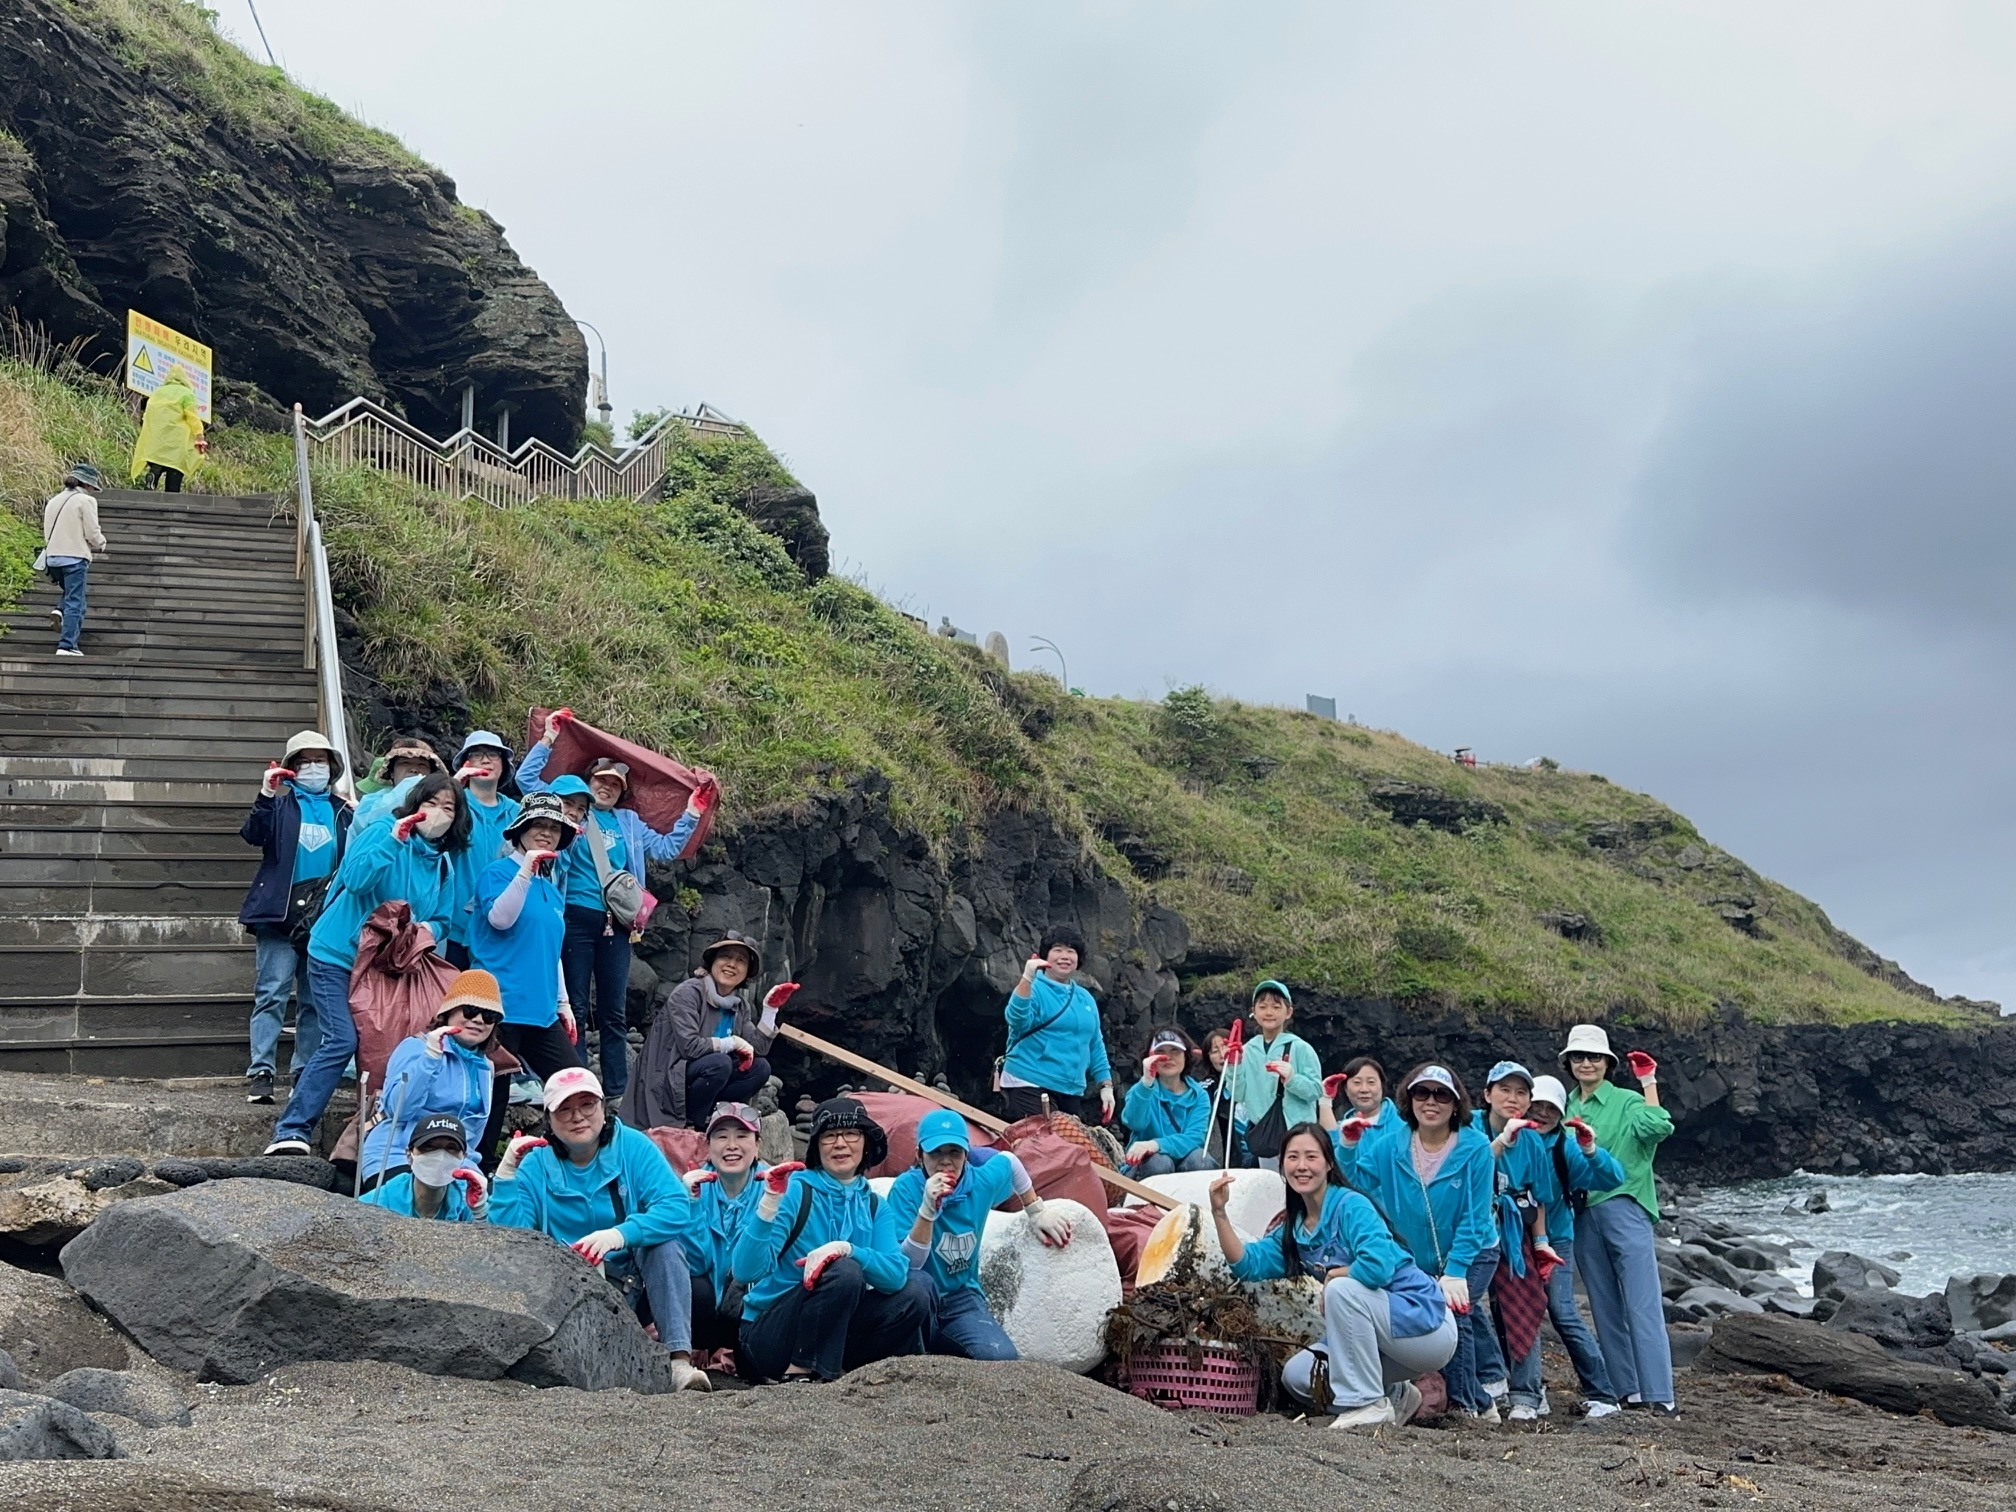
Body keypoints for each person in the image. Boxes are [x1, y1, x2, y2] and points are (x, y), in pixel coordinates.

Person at [263, 775, 470, 1156]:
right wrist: (394, 839)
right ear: (415, 802)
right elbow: (357, 881)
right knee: (342, 1039)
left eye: (449, 807)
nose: (438, 813)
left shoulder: (442, 865)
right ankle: (291, 1130)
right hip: (337, 954)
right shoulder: (381, 831)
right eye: (432, 802)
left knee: (387, 1046)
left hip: (383, 969)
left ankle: (371, 1145)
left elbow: (445, 918)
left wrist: (425, 927)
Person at [1213, 1125, 1457, 1430]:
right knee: (1300, 1375)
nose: (1301, 1166)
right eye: (1293, 1157)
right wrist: (1220, 1213)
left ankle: (1367, 1403)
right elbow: (1247, 1265)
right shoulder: (1295, 1228)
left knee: (1341, 1289)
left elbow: (1378, 1266)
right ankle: (1396, 1395)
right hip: (1386, 1344)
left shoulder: (1351, 1206)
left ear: (1329, 1163)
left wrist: (1335, 1276)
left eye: (1311, 1156)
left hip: (1426, 1326)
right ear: (1282, 1166)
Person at [519, 716, 705, 1103]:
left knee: (613, 1010)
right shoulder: (568, 814)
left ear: (622, 792)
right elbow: (526, 783)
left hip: (616, 923)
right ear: (589, 781)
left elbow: (669, 849)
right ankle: (579, 1082)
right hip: (572, 915)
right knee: (575, 1004)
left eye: (614, 784)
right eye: (601, 779)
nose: (606, 786)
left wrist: (691, 811)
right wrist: (549, 739)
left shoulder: (630, 823)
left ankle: (618, 1091)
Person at [490, 1067, 710, 1392]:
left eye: (587, 1105)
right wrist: (506, 1178)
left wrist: (619, 1235)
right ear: (548, 1119)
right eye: (564, 1109)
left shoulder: (633, 1146)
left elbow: (675, 1207)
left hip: (631, 1283)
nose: (577, 1117)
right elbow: (514, 1243)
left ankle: (678, 1362)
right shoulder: (535, 1163)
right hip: (564, 1290)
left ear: (603, 1108)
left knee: (665, 1246)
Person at [1334, 1063, 1503, 1420]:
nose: (1431, 1102)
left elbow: (1476, 1217)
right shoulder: (1390, 1144)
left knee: (1458, 1314)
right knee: (1436, 1317)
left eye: (1441, 1094)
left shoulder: (1475, 1148)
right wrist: (1347, 1145)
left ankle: (1464, 1407)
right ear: (1408, 1101)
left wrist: (1456, 1270)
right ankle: (1484, 1403)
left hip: (1474, 1251)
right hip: (1419, 1253)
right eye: (1421, 1093)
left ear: (1456, 1103)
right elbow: (1355, 1180)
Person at [729, 1097, 929, 1382]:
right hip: (769, 1333)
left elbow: (896, 1275)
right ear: (816, 1147)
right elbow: (745, 1271)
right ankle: (800, 1370)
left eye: (851, 1134)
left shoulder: (875, 1206)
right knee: (844, 1273)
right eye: (829, 1135)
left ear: (866, 1144)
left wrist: (848, 1249)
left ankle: (841, 1369)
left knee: (914, 1295)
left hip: (835, 1328)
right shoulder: (797, 1190)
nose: (840, 1144)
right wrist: (770, 1201)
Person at [887, 1108, 1074, 1360]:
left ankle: (947, 1344)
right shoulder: (906, 1189)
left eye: (954, 1152)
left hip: (960, 1296)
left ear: (966, 1154)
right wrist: (927, 1211)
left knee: (1001, 1357)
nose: (945, 1161)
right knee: (919, 1292)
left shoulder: (980, 1182)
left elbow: (1009, 1161)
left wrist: (1036, 1210)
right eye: (936, 1153)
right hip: (917, 1296)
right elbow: (909, 1264)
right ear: (920, 1155)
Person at [1561, 1024, 1678, 1416]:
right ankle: (1628, 1391)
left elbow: (1658, 1126)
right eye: (1578, 1056)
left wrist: (1648, 1081)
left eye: (1594, 1056)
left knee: (1642, 1304)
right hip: (1581, 1212)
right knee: (1604, 1305)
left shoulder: (1626, 1101)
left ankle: (1660, 1395)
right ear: (1569, 1062)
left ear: (1608, 1063)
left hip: (1624, 1204)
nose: (1586, 1063)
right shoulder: (1565, 1106)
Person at [237, 731, 353, 1104]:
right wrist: (267, 794)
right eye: (304, 761)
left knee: (313, 999)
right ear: (291, 768)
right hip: (279, 912)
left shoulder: (344, 811)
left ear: (332, 768)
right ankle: (261, 1071)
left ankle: (304, 1070)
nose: (313, 768)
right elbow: (253, 835)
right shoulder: (280, 807)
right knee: (271, 992)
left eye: (321, 761)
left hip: (324, 918)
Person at [1522, 1074, 1627, 1419]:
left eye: (1550, 1108)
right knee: (1517, 1311)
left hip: (1557, 1238)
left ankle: (1602, 1393)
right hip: (1514, 1238)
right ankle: (1527, 1390)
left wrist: (1590, 1149)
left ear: (1561, 1112)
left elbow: (1613, 1178)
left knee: (1563, 1311)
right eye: (1536, 1105)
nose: (1541, 1113)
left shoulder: (1564, 1147)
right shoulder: (1508, 1138)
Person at [621, 932, 793, 1131]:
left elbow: (758, 1050)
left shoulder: (739, 1005)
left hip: (708, 1079)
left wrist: (770, 1010)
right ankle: (695, 1124)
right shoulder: (688, 993)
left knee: (761, 1068)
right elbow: (690, 1048)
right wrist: (733, 1043)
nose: (731, 964)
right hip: (669, 1080)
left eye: (740, 960)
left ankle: (718, 1116)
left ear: (747, 972)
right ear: (712, 961)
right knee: (720, 1062)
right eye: (725, 956)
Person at [358, 970, 505, 1188]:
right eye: (470, 1010)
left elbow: (473, 1133)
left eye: (489, 1015)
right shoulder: (416, 1047)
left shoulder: (485, 1066)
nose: (478, 1020)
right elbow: (399, 1109)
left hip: (456, 1161)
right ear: (449, 1011)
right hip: (398, 1154)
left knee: (490, 1208)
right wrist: (431, 1058)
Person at [1471, 1060, 1555, 1422]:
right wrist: (1502, 1142)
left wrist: (1541, 1244)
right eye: (1504, 1090)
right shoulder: (1468, 1126)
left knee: (1523, 1305)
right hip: (1470, 1227)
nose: (1512, 1098)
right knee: (1464, 1300)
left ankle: (1527, 1393)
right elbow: (1468, 1167)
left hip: (1513, 1226)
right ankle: (1490, 1374)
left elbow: (1539, 1199)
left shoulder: (1533, 1140)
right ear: (1487, 1094)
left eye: (1521, 1092)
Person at [676, 1102, 771, 1366]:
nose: (732, 1145)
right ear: (708, 1147)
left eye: (742, 1136)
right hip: (702, 1306)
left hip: (748, 1306)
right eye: (721, 1136)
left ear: (757, 1146)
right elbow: (696, 1263)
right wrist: (692, 1205)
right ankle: (694, 1349)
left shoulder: (776, 1190)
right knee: (696, 1286)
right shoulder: (689, 1187)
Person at [998, 924, 1113, 1124]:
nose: (1065, 956)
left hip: (1071, 1090)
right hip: (1028, 1082)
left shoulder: (1085, 998)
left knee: (1068, 1149)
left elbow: (1095, 1044)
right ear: (1045, 956)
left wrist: (1106, 1086)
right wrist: (1026, 978)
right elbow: (1015, 1020)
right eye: (1058, 950)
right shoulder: (1034, 987)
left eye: (1071, 951)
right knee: (1047, 1148)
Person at [443, 731, 521, 970]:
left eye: (493, 755)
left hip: (502, 928)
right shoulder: (451, 805)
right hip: (454, 927)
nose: (486, 760)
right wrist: (454, 786)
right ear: (466, 764)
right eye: (477, 755)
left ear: (503, 765)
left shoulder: (518, 813)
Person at [1225, 980, 1322, 1170]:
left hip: (1299, 1133)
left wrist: (1292, 1078)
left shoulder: (1301, 1048)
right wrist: (1232, 1066)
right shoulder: (1247, 1050)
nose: (1269, 1012)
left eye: (1276, 1007)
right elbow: (1238, 1095)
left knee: (1300, 1184)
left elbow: (1316, 1091)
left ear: (1288, 1012)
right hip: (1266, 1134)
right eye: (1263, 1007)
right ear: (1254, 1011)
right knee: (1272, 1187)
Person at [1120, 1027, 1215, 1176]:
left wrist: (1155, 1144)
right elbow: (1134, 1123)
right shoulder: (1140, 1090)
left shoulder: (1199, 1095)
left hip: (1185, 1164)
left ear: (1186, 1056)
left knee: (1202, 1160)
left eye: (1175, 1050)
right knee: (1160, 1163)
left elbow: (1195, 1138)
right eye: (1160, 1052)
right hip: (1147, 1168)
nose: (1168, 1057)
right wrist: (1146, 1083)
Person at [359, 1115, 490, 1222]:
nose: (440, 1156)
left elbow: (490, 1243)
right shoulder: (378, 1201)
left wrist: (480, 1211)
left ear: (464, 1158)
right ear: (409, 1155)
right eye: (429, 1147)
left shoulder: (466, 1199)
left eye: (451, 1148)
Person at [39, 463, 106, 658]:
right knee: (76, 602)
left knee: (70, 594)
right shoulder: (85, 501)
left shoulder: (53, 501)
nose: (93, 491)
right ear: (87, 485)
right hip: (74, 558)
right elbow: (92, 532)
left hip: (52, 558)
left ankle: (60, 610)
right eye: (93, 487)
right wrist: (101, 544)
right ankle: (67, 645)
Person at [129, 366, 205, 491]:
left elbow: (147, 415)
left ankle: (153, 475)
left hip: (157, 438)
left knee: (157, 461)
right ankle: (172, 494)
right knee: (175, 467)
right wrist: (199, 433)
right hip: (177, 439)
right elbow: (192, 416)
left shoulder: (157, 392)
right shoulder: (187, 394)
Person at [1318, 1056, 1398, 1145]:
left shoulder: (1402, 1124)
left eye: (1371, 1082)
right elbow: (1331, 1148)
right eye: (1357, 1082)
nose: (1364, 1089)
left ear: (1382, 1086)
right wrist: (1325, 1100)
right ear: (1346, 1089)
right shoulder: (1345, 1127)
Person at [354, 737, 447, 808]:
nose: (414, 770)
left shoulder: (442, 804)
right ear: (391, 772)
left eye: (422, 765)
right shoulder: (373, 803)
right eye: (405, 763)